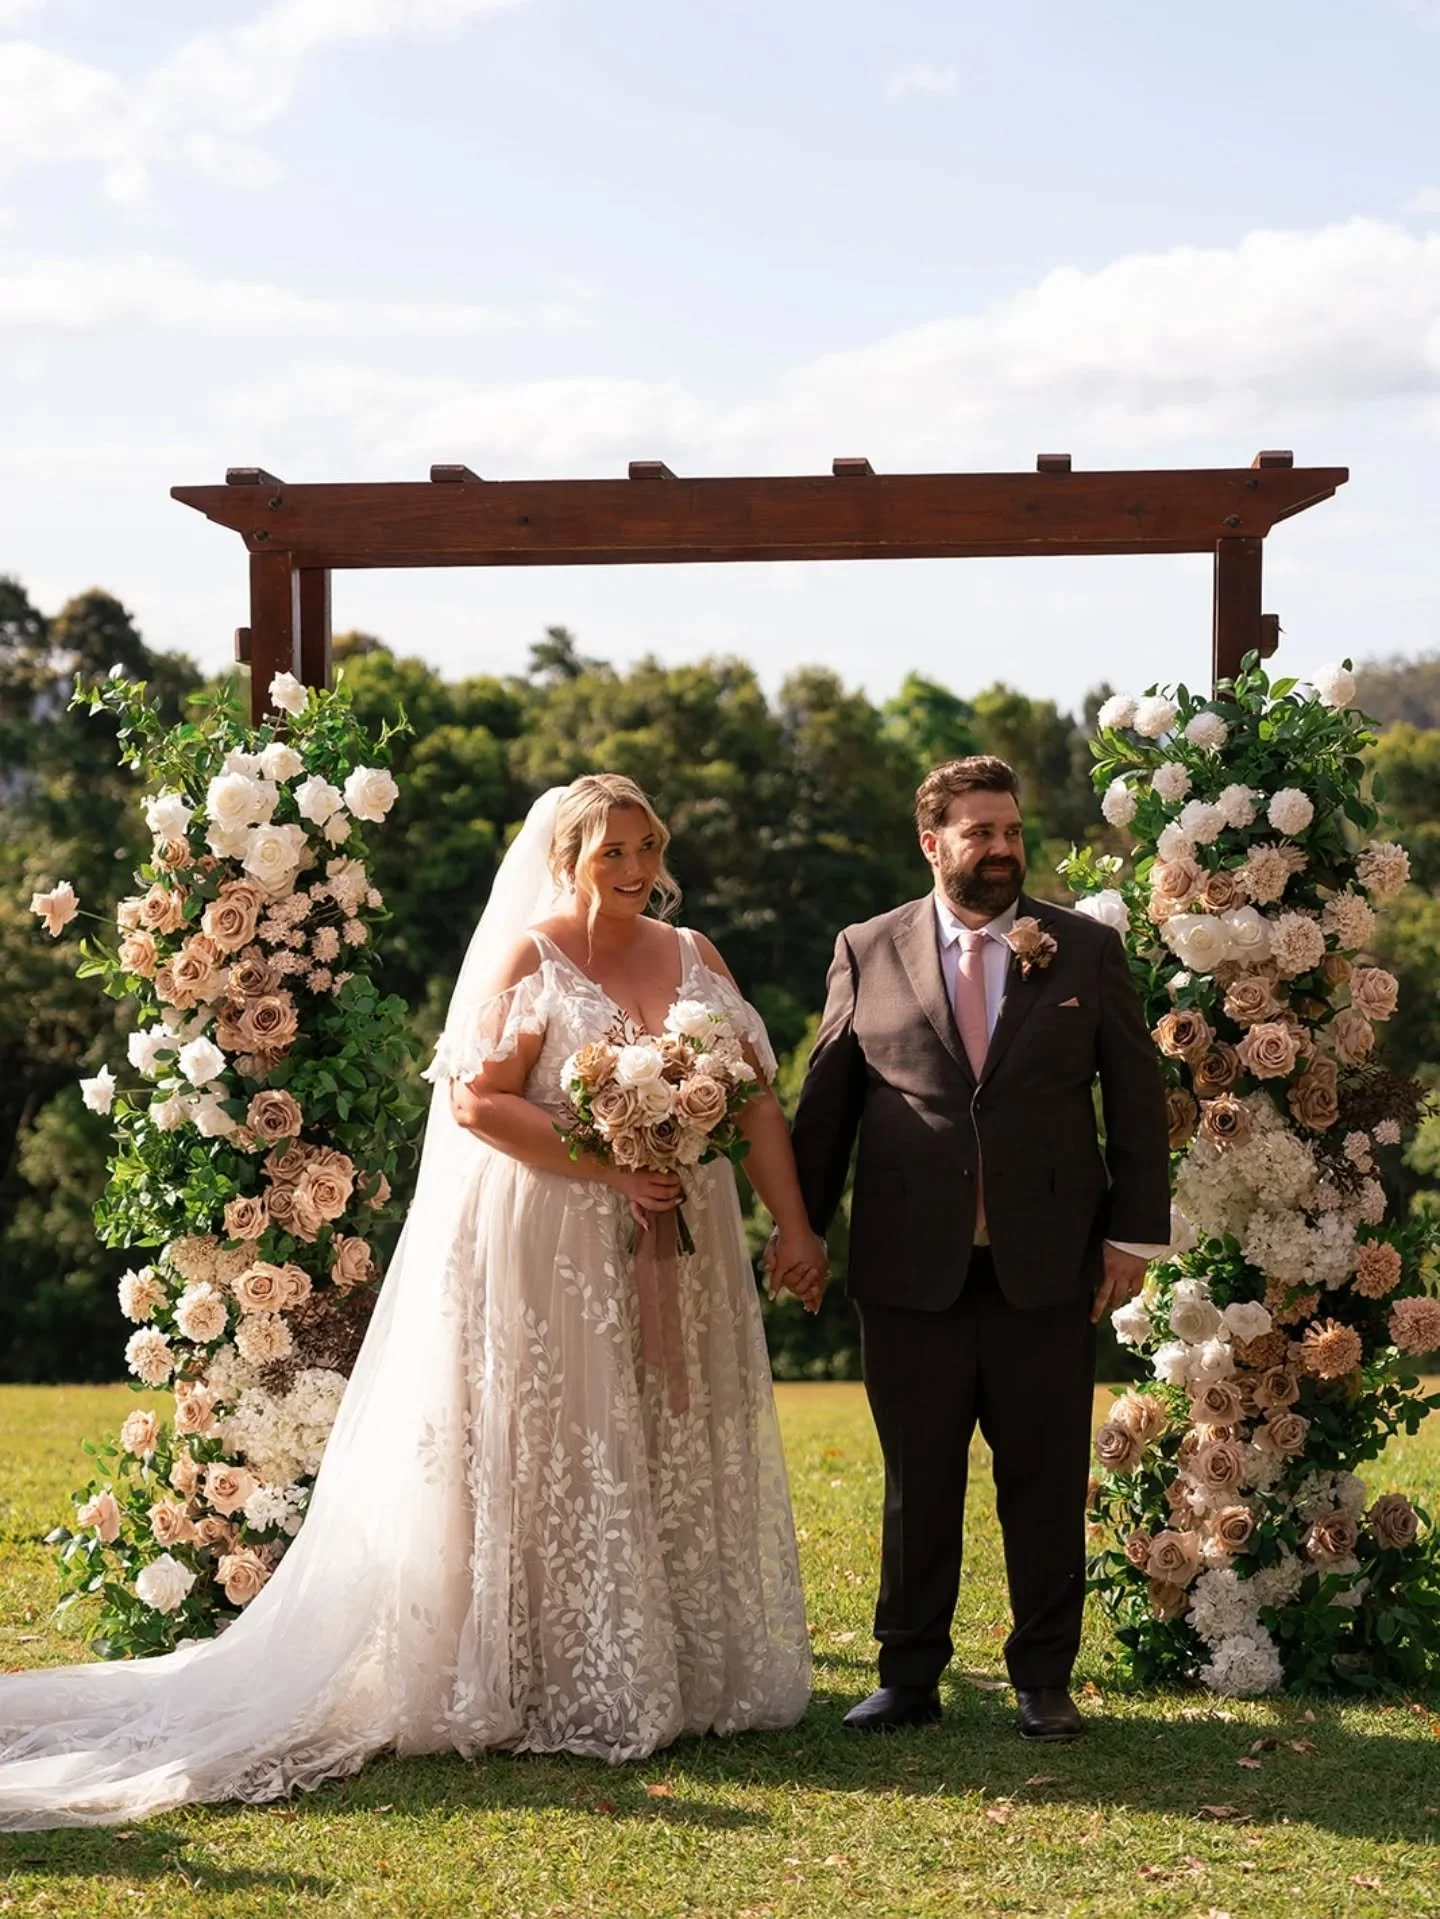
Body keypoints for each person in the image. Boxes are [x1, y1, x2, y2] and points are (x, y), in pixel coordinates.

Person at [0, 775, 823, 1829]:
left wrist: (793, 1226)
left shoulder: (698, 955)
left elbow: (752, 1102)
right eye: (610, 850)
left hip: (681, 1243)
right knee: (571, 1436)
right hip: (560, 1235)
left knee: (669, 1425)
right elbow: (476, 1100)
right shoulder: (533, 958)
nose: (633, 868)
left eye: (646, 846)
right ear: (568, 859)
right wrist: (611, 1161)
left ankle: (693, 1667)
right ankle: (561, 1670)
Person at [782, 755, 1169, 1742]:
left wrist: (1131, 1234)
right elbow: (826, 1106)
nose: (1001, 849)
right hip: (909, 1268)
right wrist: (801, 1227)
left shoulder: (1084, 949)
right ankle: (907, 1674)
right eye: (979, 832)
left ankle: (1044, 1678)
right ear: (932, 842)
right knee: (919, 1483)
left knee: (1044, 1483)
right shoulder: (865, 948)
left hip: (1049, 1265)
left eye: (1011, 831)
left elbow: (1136, 1100)